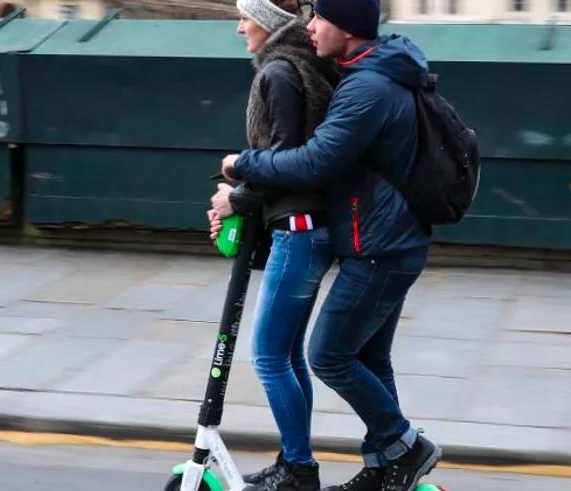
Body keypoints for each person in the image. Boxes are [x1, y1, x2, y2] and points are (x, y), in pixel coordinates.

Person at [219, 1, 442, 490]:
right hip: (387, 237)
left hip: (376, 242)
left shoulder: (364, 85)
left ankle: (398, 445)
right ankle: (385, 465)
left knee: (322, 356)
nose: (311, 25)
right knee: (363, 357)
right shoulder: (362, 72)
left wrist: (240, 173)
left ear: (344, 24)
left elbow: (312, 161)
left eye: (319, 17)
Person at [206, 1, 337, 489]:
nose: (240, 27)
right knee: (288, 355)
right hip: (309, 226)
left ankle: (299, 469)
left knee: (267, 357)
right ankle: (296, 462)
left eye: (246, 16)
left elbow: (283, 160)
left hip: (298, 230)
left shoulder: (280, 72)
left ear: (269, 19)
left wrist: (236, 197)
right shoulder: (303, 62)